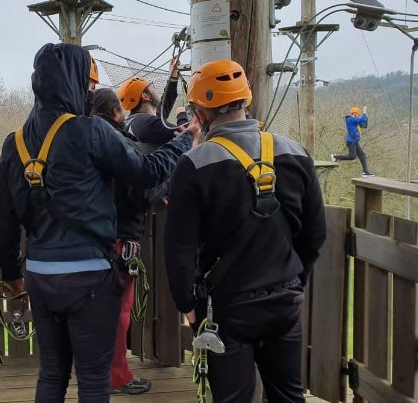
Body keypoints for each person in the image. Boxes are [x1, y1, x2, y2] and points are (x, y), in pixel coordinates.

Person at [0, 43, 192, 403]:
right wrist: (184, 142)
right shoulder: (89, 132)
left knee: (51, 373)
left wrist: (12, 273)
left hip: (39, 275)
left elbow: (4, 219)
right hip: (89, 278)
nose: (88, 92)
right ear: (72, 83)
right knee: (94, 380)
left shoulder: (15, 142)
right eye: (85, 83)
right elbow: (145, 174)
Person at [164, 59, 327, 403]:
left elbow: (179, 248)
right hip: (284, 301)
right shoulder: (295, 153)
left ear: (202, 113)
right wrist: (296, 280)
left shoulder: (193, 165)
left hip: (228, 307)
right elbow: (314, 235)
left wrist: (189, 306)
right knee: (288, 395)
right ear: (245, 101)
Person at [90, 88, 159, 395]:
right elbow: (140, 191)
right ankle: (117, 375)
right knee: (119, 312)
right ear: (116, 113)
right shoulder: (119, 145)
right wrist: (165, 184)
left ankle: (103, 371)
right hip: (121, 241)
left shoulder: (88, 143)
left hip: (97, 241)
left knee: (100, 312)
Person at [117, 58, 187, 150]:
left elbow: (162, 110)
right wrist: (182, 115)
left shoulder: (138, 122)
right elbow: (187, 135)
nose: (155, 89)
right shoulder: (145, 123)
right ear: (145, 96)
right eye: (151, 86)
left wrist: (173, 78)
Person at [331, 106, 372, 177]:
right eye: (358, 114)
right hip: (351, 141)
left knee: (362, 155)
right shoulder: (350, 119)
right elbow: (362, 119)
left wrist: (366, 116)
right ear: (355, 114)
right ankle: (335, 157)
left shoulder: (355, 122)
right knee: (352, 156)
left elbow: (364, 125)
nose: (358, 116)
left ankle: (365, 172)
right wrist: (364, 112)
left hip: (355, 142)